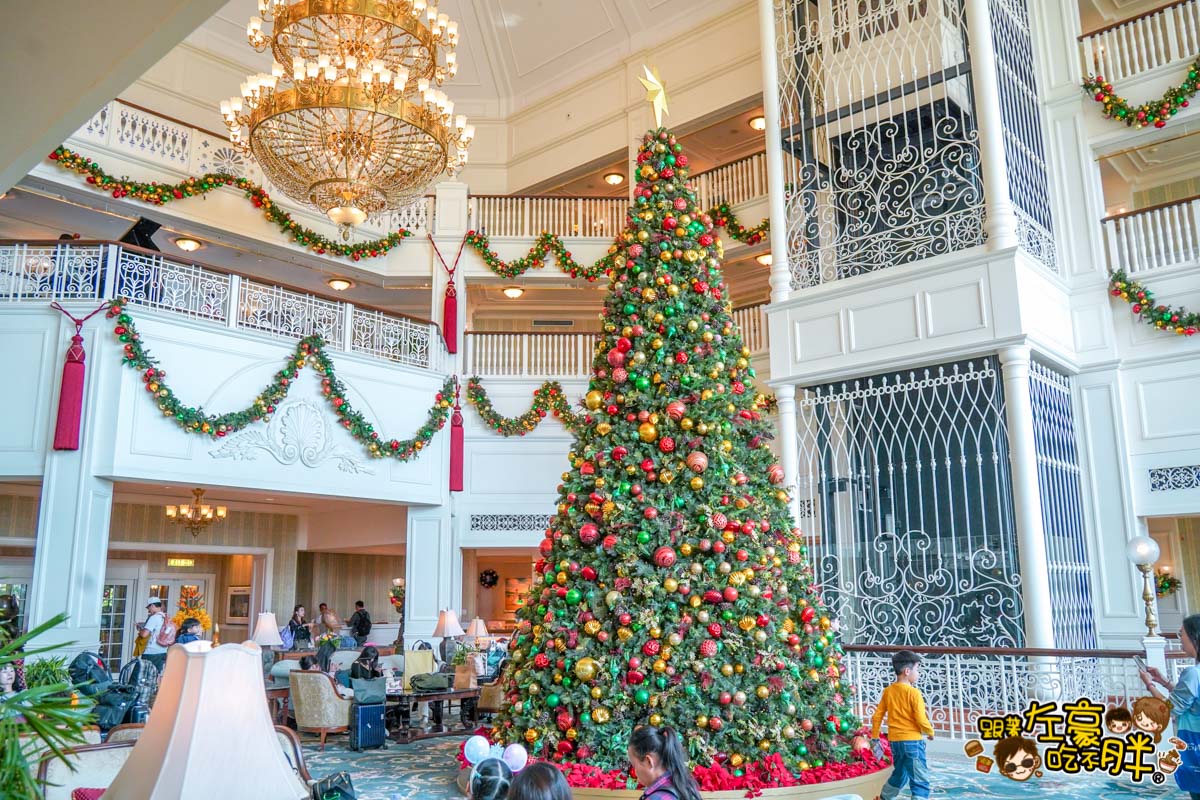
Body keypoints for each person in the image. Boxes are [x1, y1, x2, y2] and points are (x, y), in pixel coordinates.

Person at [1140, 613, 1200, 798]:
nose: (1179, 638)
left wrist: (1149, 684)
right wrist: (1164, 681)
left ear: (1195, 637)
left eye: (1182, 634)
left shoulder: (1192, 673)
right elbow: (1191, 700)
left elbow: (1169, 709)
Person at [870, 650, 933, 800]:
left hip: (895, 742)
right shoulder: (914, 693)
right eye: (917, 669)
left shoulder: (888, 691)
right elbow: (920, 718)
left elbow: (877, 716)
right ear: (907, 671)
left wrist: (875, 737)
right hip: (912, 741)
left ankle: (884, 797)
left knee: (900, 773)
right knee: (919, 779)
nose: (918, 673)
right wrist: (930, 732)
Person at [627, 725, 701, 800]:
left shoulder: (656, 798)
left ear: (649, 761)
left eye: (634, 765)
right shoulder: (685, 787)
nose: (635, 773)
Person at [138, 597, 169, 674]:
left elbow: (144, 634)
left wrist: (140, 629)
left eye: (149, 607)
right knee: (156, 675)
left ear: (152, 606)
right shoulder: (165, 617)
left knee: (142, 675)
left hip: (151, 651)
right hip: (163, 650)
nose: (149, 610)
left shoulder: (154, 618)